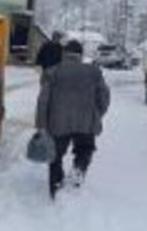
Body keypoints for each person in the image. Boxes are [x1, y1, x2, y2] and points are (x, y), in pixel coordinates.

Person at [35, 40, 110, 199]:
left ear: (64, 54)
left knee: (55, 156)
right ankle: (78, 171)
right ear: (80, 55)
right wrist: (96, 115)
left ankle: (56, 189)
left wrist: (41, 125)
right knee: (84, 150)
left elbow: (43, 101)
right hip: (85, 122)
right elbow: (104, 97)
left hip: (58, 123)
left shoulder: (52, 72)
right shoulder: (94, 72)